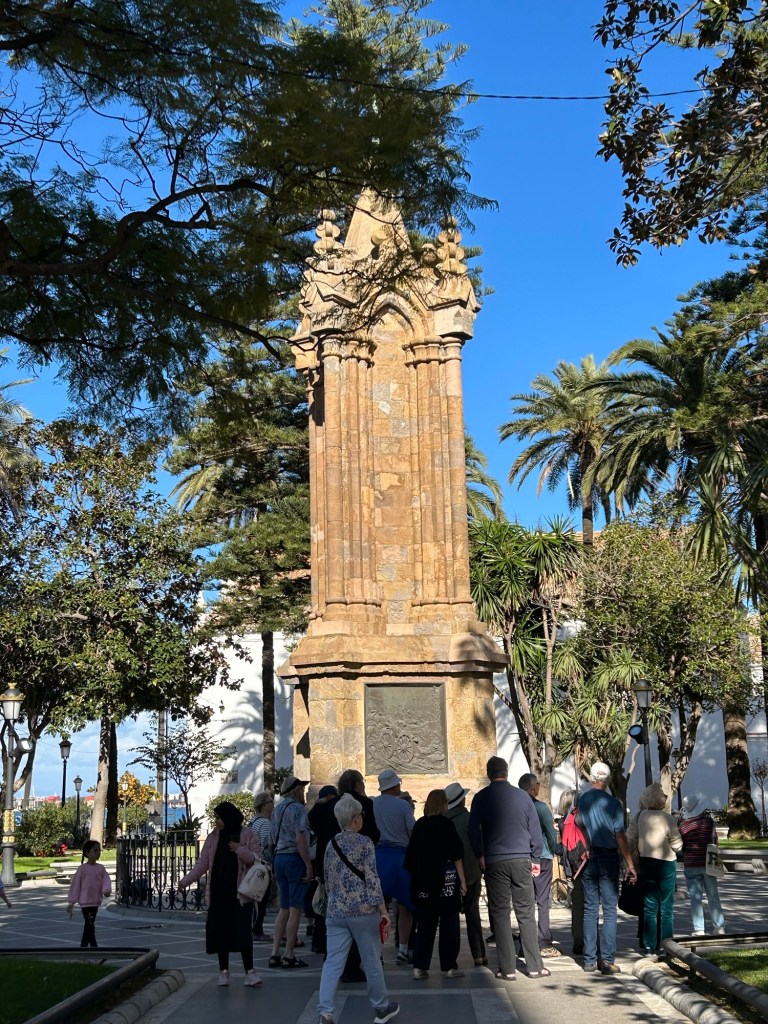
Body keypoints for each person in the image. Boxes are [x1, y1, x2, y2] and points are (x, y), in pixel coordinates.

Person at [317, 793, 400, 1024]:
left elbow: (327, 879)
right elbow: (372, 879)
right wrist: (383, 910)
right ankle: (381, 1007)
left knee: (333, 962)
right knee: (371, 961)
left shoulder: (331, 845)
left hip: (336, 911)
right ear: (355, 818)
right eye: (361, 814)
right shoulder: (365, 843)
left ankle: (325, 1011)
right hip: (364, 911)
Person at [468, 755, 549, 980]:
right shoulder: (523, 797)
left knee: (500, 914)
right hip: (522, 858)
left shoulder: (481, 798)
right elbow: (535, 830)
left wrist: (480, 854)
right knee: (526, 912)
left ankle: (507, 969)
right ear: (506, 772)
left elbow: (472, 830)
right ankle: (535, 966)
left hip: (494, 860)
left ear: (489, 774)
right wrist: (535, 858)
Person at [178, 801, 263, 987]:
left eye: (219, 818)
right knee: (220, 932)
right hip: (218, 892)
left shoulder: (247, 834)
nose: (216, 821)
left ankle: (250, 972)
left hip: (241, 894)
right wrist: (186, 881)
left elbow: (256, 858)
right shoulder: (213, 837)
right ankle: (223, 971)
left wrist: (239, 849)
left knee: (243, 932)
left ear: (228, 817)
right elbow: (203, 863)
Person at [576, 762, 637, 975]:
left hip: (588, 856)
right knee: (610, 910)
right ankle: (608, 960)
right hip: (609, 857)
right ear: (608, 779)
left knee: (590, 909)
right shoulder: (614, 803)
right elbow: (620, 835)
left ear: (592, 778)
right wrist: (629, 863)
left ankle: (589, 960)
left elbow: (577, 824)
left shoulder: (581, 800)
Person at [404, 788, 467, 979]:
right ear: (443, 805)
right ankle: (449, 967)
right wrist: (462, 880)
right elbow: (457, 854)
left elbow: (410, 859)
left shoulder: (420, 825)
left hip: (424, 883)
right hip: (446, 882)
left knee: (425, 925)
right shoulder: (447, 825)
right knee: (449, 924)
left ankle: (419, 967)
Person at [627, 782, 683, 959]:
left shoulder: (639, 817)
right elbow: (677, 844)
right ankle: (667, 945)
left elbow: (630, 838)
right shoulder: (668, 818)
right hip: (666, 864)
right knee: (666, 908)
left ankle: (649, 946)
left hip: (646, 862)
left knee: (649, 906)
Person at [268, 774, 313, 969]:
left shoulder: (276, 810)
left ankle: (274, 952)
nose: (304, 792)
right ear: (296, 791)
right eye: (302, 789)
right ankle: (289, 954)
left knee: (284, 907)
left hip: (279, 858)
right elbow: (300, 839)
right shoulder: (298, 809)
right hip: (295, 858)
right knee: (296, 908)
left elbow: (270, 841)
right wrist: (308, 864)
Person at [371, 768, 415, 965]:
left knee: (379, 907)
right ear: (395, 785)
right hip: (401, 857)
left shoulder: (372, 804)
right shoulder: (403, 806)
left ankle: (378, 951)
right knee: (405, 907)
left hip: (379, 857)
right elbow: (411, 832)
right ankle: (403, 950)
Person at [519, 772, 561, 958]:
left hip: (521, 858)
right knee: (543, 901)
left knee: (525, 902)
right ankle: (544, 942)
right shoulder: (541, 808)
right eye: (537, 785)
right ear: (533, 787)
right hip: (542, 857)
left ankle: (525, 943)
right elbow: (550, 834)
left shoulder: (516, 807)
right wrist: (556, 849)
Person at [444, 781, 486, 966]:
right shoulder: (470, 819)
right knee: (472, 913)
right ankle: (479, 955)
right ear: (461, 800)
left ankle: (451, 958)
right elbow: (479, 843)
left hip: (449, 875)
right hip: (471, 872)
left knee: (451, 917)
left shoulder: (443, 821)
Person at [678, 795, 726, 936]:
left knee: (695, 898)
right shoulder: (708, 822)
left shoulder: (684, 826)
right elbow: (715, 840)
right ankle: (719, 927)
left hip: (691, 863)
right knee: (713, 896)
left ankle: (699, 929)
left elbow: (682, 846)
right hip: (708, 862)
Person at [307, 784, 339, 955]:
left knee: (321, 905)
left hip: (320, 864)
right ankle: (325, 941)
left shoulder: (316, 812)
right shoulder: (333, 812)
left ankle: (318, 941)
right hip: (330, 863)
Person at [66, 840, 111, 948]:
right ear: (87, 853)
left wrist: (106, 890)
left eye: (99, 850)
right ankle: (92, 946)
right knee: (90, 923)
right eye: (95, 850)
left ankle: (85, 947)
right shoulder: (82, 869)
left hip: (95, 901)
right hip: (85, 902)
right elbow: (76, 885)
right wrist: (71, 902)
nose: (98, 853)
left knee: (89, 924)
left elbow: (106, 880)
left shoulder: (101, 868)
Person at [556, 788, 585, 955]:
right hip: (583, 864)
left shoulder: (562, 822)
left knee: (577, 905)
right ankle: (590, 941)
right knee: (589, 904)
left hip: (571, 868)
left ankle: (578, 941)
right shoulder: (580, 818)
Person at [249, 791, 275, 942]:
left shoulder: (253, 822)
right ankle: (257, 931)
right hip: (262, 866)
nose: (273, 804)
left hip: (253, 865)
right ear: (264, 805)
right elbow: (267, 847)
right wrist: (271, 867)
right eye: (271, 802)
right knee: (261, 900)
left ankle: (254, 929)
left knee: (255, 900)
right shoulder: (265, 823)